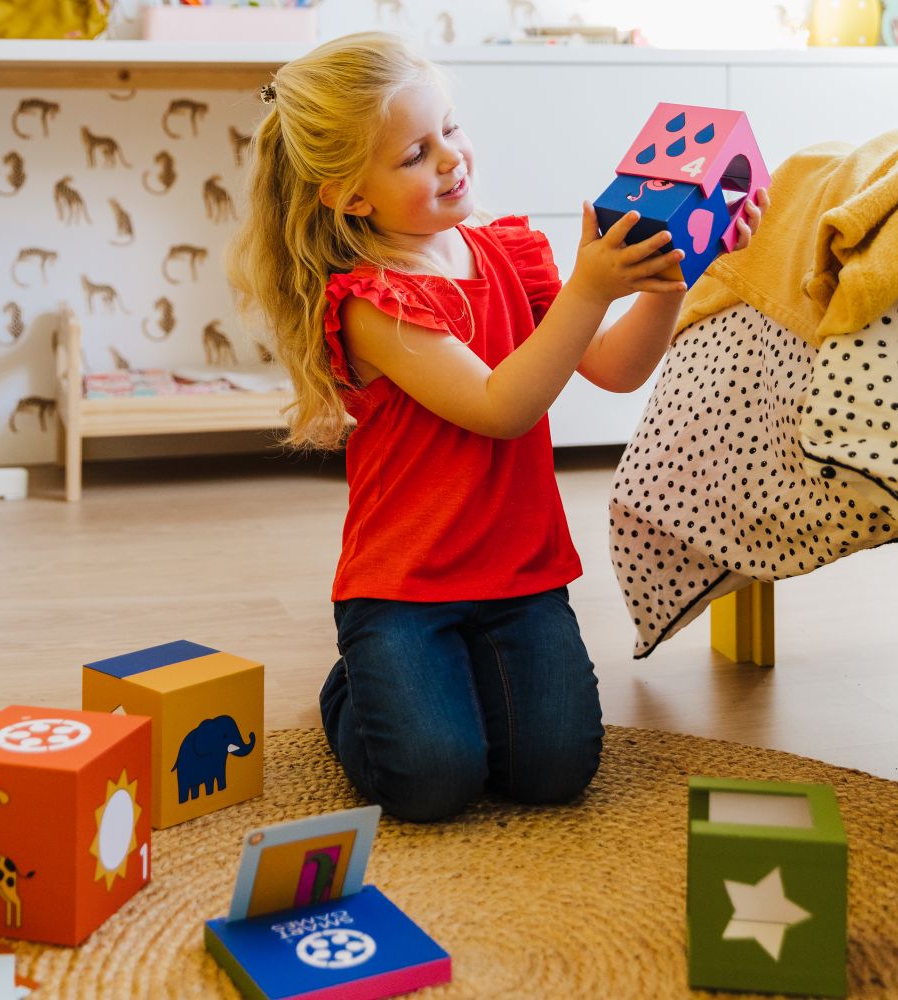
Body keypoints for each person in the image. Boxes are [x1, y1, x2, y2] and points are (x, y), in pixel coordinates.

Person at [228, 32, 767, 822]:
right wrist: (589, 288)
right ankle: (358, 684)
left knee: (554, 772)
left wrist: (668, 280)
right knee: (431, 783)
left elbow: (614, 368)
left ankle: (451, 675)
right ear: (348, 196)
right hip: (405, 585)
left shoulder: (510, 252)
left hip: (520, 575)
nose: (451, 158)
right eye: (414, 154)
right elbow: (501, 407)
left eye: (450, 127)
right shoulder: (374, 302)